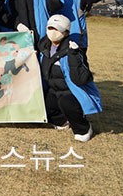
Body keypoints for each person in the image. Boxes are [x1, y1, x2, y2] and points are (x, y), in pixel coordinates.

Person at [38, 14, 101, 142]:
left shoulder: (73, 49)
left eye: (58, 29)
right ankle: (62, 120)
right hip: (53, 89)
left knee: (66, 102)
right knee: (42, 104)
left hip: (72, 91)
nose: (53, 32)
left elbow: (81, 79)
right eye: (50, 28)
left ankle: (83, 128)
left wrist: (74, 56)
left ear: (66, 33)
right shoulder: (43, 47)